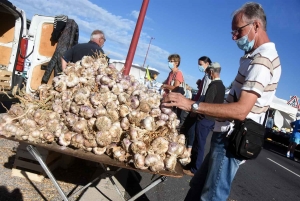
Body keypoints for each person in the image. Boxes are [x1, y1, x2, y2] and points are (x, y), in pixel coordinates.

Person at [163, 2, 281, 200]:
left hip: (231, 139)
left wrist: (191, 105)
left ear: (256, 26)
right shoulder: (253, 57)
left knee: (212, 195)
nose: (234, 37)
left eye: (238, 31)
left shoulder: (262, 60)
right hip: (224, 135)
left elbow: (241, 110)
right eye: (232, 32)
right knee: (198, 187)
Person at [183, 62, 225, 176]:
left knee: (199, 144)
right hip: (211, 119)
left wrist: (198, 114)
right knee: (200, 143)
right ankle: (192, 166)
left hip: (205, 119)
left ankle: (195, 169)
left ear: (211, 72)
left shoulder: (214, 85)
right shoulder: (222, 86)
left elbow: (207, 103)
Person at [181, 56, 212, 154]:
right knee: (191, 127)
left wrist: (196, 108)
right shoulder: (205, 76)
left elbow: (204, 93)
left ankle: (189, 150)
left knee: (192, 128)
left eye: (201, 64)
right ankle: (188, 149)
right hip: (197, 103)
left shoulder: (208, 76)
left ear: (207, 64)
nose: (199, 66)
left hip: (198, 105)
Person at [161, 54, 184, 118]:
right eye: (169, 61)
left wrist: (165, 86)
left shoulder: (178, 73)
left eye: (171, 61)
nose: (169, 63)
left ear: (176, 63)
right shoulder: (170, 73)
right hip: (167, 99)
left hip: (173, 102)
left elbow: (176, 88)